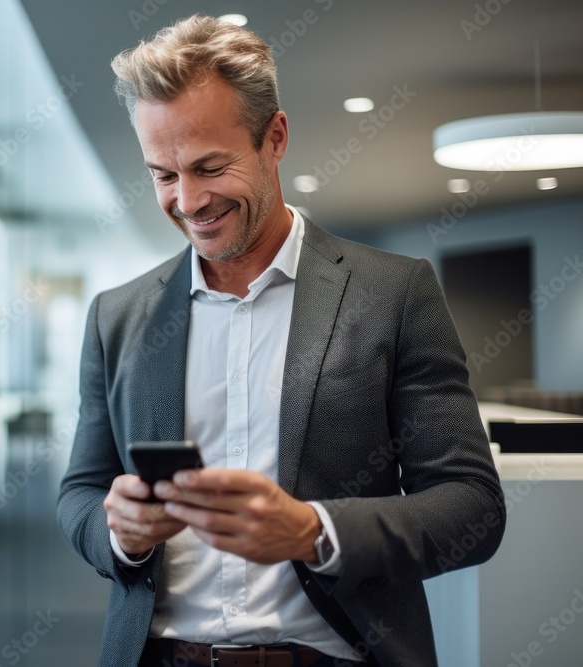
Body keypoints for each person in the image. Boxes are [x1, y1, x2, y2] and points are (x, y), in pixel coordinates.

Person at [57, 14, 505, 667]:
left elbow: (472, 507)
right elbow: (79, 491)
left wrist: (313, 531)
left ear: (276, 138)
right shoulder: (117, 317)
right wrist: (116, 531)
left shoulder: (394, 294)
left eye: (210, 166)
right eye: (163, 174)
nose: (188, 200)